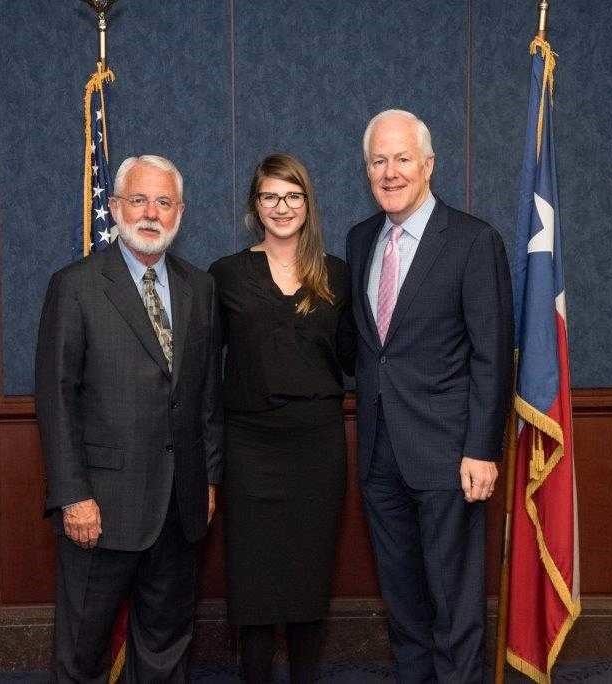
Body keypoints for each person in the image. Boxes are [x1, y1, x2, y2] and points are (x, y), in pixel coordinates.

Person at [35, 154, 223, 683]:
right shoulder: (75, 286)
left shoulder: (200, 288)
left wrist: (208, 479)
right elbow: (56, 398)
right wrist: (72, 494)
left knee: (165, 647)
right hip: (100, 507)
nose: (150, 213)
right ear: (115, 206)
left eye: (163, 202)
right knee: (82, 652)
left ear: (180, 212)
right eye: (138, 199)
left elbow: (206, 395)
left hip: (180, 508)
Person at [345, 110, 513, 682]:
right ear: (367, 170)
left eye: (402, 159)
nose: (390, 172)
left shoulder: (472, 241)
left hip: (449, 455)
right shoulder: (361, 238)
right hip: (378, 453)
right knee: (403, 599)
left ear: (428, 165)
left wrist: (482, 449)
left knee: (454, 601)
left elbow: (492, 355)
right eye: (378, 161)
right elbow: (371, 349)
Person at [208, 153, 355, 683]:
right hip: (249, 445)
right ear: (255, 205)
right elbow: (206, 370)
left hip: (317, 445)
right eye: (270, 196)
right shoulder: (225, 275)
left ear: (308, 204)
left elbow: (356, 357)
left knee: (308, 575)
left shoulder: (337, 274)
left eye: (293, 196)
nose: (282, 206)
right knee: (253, 578)